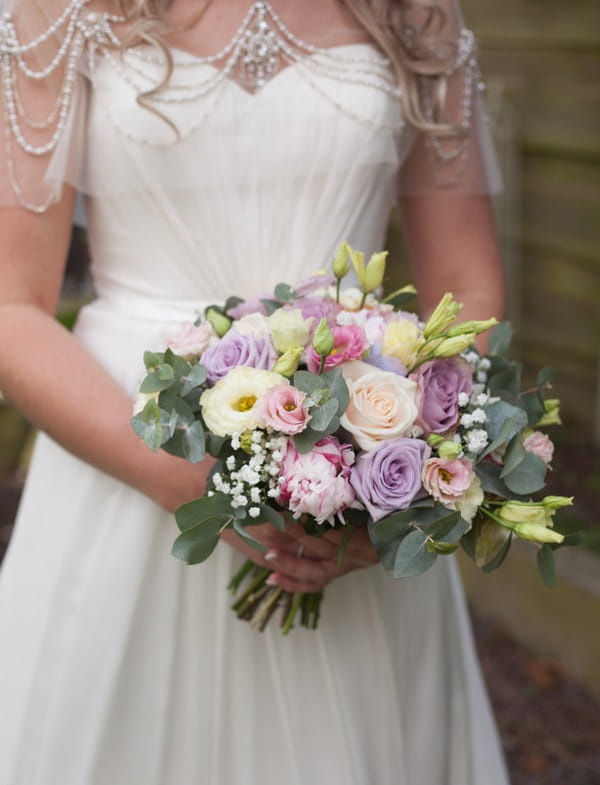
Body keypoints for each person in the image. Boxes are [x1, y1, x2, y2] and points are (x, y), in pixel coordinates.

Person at [0, 0, 510, 783]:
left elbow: (466, 287)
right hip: (125, 455)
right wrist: (186, 479)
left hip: (357, 481)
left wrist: (397, 503)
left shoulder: (414, 11)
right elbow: (10, 303)